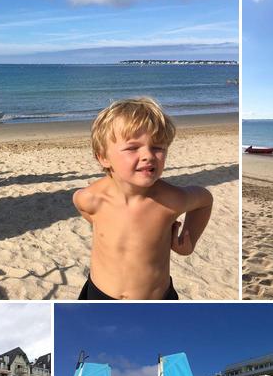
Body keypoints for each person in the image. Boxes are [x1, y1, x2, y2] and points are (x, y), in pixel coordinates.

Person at [73, 97, 213, 300]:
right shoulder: (91, 199)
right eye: (132, 148)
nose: (148, 155)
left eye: (158, 147)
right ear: (103, 157)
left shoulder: (171, 200)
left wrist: (189, 241)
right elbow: (83, 208)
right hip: (99, 295)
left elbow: (205, 200)